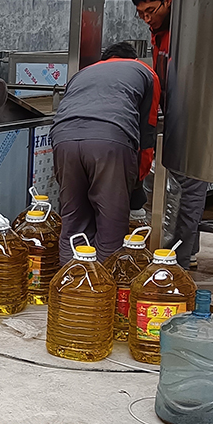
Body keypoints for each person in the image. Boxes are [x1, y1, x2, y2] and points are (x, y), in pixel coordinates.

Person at [51, 42, 160, 264]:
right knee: (111, 225)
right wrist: (137, 181)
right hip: (109, 139)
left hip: (63, 139)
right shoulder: (145, 72)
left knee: (73, 221)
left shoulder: (82, 73)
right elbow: (148, 129)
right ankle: (102, 293)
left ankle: (70, 288)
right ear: (134, 59)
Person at [131, 0, 208, 270]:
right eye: (141, 14)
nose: (147, 19)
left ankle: (182, 262)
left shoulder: (186, 30)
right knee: (172, 188)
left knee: (189, 187)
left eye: (151, 11)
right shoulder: (159, 30)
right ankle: (185, 250)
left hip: (196, 119)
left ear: (169, 1)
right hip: (174, 116)